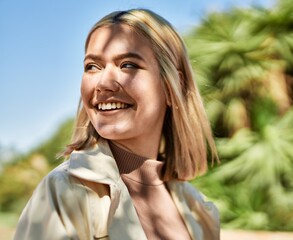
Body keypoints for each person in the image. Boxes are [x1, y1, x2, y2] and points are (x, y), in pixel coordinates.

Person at [14, 8, 219, 240]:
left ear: (173, 87)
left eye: (128, 65)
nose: (103, 83)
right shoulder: (63, 192)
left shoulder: (199, 211)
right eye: (92, 66)